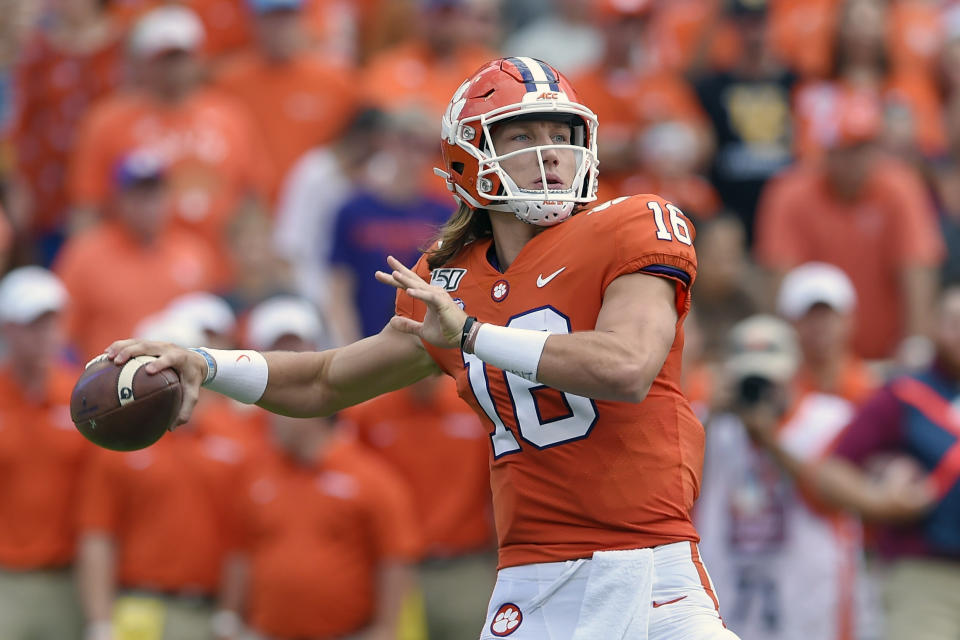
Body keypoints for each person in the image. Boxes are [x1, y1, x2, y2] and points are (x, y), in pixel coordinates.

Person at [105, 57, 739, 639]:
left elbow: (626, 367)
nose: (550, 153)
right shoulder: (447, 275)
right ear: (470, 158)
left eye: (561, 133)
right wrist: (206, 364)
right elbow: (327, 380)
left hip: (651, 568)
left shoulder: (632, 224)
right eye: (522, 135)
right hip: (532, 580)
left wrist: (468, 334)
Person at [738, 284, 960, 640]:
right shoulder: (905, 393)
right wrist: (880, 502)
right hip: (925, 567)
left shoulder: (860, 390)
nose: (819, 331)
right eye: (953, 321)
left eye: (828, 318)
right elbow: (834, 472)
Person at [217, 295, 423, 640]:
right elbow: (241, 549)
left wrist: (385, 630)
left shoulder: (370, 477)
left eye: (282, 405)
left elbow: (394, 559)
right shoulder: (254, 469)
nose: (272, 415)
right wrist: (230, 620)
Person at [696, 313, 881, 640]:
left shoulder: (831, 418)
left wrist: (771, 441)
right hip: (729, 612)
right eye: (750, 379)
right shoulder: (709, 425)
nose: (761, 390)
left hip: (814, 610)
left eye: (770, 378)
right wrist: (712, 417)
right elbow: (674, 494)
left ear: (795, 373)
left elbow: (829, 498)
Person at [0, 267, 88, 640]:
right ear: (8, 329)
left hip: (67, 578)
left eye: (51, 323)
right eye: (33, 324)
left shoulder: (81, 397)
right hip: (5, 577)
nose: (44, 335)